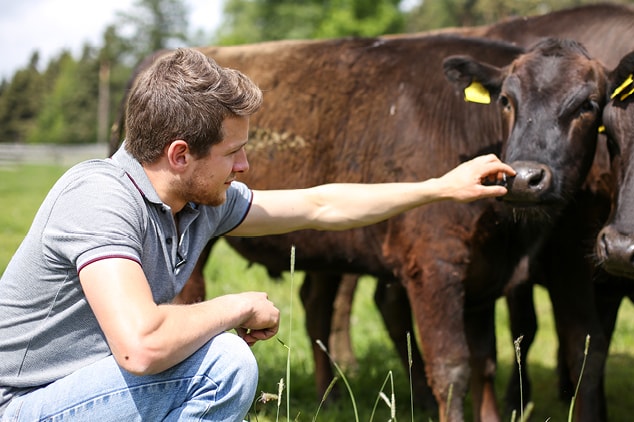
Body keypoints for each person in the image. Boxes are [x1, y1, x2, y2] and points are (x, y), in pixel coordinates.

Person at [0, 47, 515, 422]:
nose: (246, 166)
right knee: (223, 362)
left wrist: (440, 187)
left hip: (87, 390)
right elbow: (141, 346)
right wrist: (238, 306)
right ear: (180, 155)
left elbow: (321, 203)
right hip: (24, 402)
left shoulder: (194, 202)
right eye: (233, 153)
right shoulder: (100, 196)